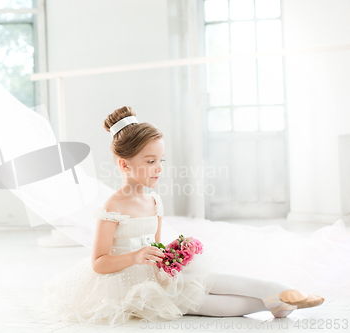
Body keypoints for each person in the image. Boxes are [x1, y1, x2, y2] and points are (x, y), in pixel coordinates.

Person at [41, 106, 325, 327]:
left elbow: (156, 244)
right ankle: (271, 304)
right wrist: (136, 257)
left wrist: (172, 254)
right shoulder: (113, 206)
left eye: (160, 161)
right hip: (129, 278)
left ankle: (282, 291)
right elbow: (99, 263)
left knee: (210, 278)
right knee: (196, 301)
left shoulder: (153, 199)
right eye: (150, 162)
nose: (158, 168)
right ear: (123, 164)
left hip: (157, 270)